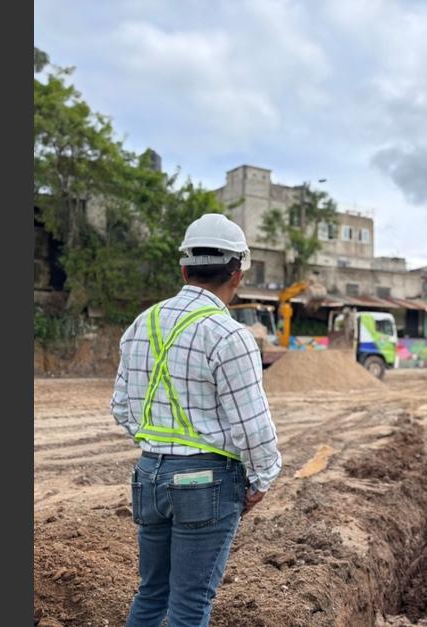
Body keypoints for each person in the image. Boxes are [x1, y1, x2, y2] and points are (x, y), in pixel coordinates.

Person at [111, 213, 282, 626]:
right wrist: (261, 479)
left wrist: (161, 448)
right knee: (190, 606)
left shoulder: (142, 324)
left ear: (184, 268)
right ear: (237, 273)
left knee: (151, 595)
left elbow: (121, 406)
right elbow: (252, 425)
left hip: (149, 475)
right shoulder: (228, 334)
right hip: (205, 482)